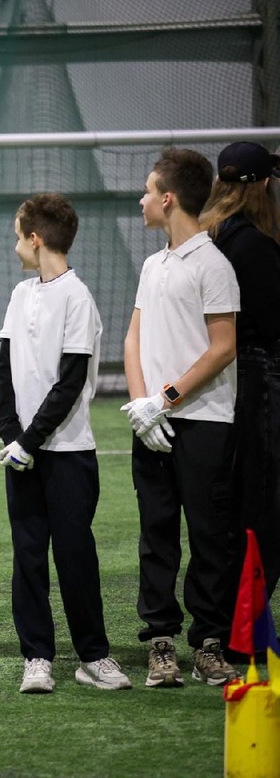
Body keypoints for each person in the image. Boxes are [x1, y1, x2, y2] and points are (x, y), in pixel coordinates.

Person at [0, 193, 130, 693]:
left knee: (75, 554)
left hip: (69, 453)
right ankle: (37, 657)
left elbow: (70, 382)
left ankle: (93, 656)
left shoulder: (79, 297)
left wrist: (31, 440)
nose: (15, 246)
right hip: (23, 454)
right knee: (27, 554)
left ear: (36, 239)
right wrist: (12, 437)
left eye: (17, 236)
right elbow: (4, 372)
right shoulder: (19, 295)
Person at [122, 148, 240, 688]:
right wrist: (142, 407)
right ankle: (160, 642)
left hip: (205, 421)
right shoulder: (152, 265)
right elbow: (134, 339)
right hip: (153, 422)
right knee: (156, 534)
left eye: (148, 190)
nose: (142, 199)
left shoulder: (214, 264)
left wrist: (163, 398)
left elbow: (223, 348)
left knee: (210, 535)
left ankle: (210, 643)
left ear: (167, 199)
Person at [202, 141, 280, 606]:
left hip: (229, 382)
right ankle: (245, 629)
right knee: (265, 508)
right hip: (262, 380)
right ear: (264, 186)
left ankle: (229, 622)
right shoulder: (252, 243)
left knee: (238, 505)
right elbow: (272, 323)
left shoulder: (212, 238)